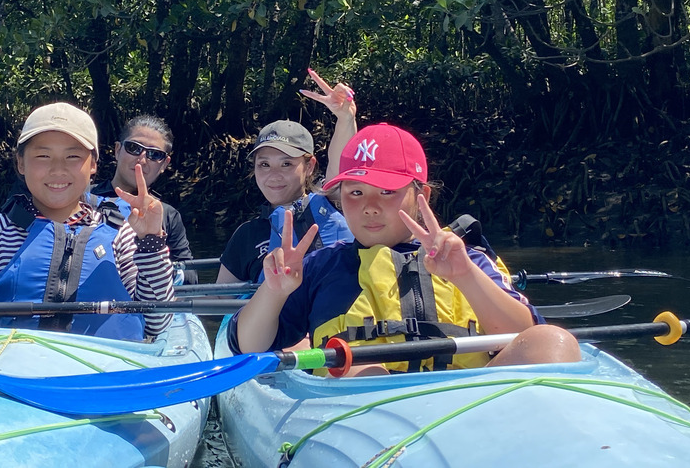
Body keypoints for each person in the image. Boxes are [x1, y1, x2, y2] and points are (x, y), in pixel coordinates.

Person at [229, 123, 581, 374]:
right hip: (366, 409)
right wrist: (273, 292)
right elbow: (249, 346)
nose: (369, 207)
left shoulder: (468, 259)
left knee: (552, 341)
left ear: (421, 195)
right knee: (363, 369)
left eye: (387, 192)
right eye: (355, 192)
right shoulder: (319, 267)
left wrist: (465, 276)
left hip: (470, 400)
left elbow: (522, 336)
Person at [0, 102, 175, 340]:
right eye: (43, 156)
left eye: (73, 156)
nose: (58, 169)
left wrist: (151, 243)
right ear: (21, 164)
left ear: (93, 165)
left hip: (99, 371)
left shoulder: (121, 234)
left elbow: (158, 323)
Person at [216, 69, 357, 285]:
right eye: (264, 164)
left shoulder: (332, 201)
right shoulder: (246, 235)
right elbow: (220, 297)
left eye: (286, 164)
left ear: (309, 166)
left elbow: (343, 165)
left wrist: (346, 118)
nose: (274, 175)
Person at [85, 114, 199, 285]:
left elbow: (190, 276)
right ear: (117, 150)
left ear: (164, 164)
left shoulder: (167, 215)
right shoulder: (81, 198)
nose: (142, 159)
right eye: (133, 147)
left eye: (155, 154)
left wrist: (155, 254)